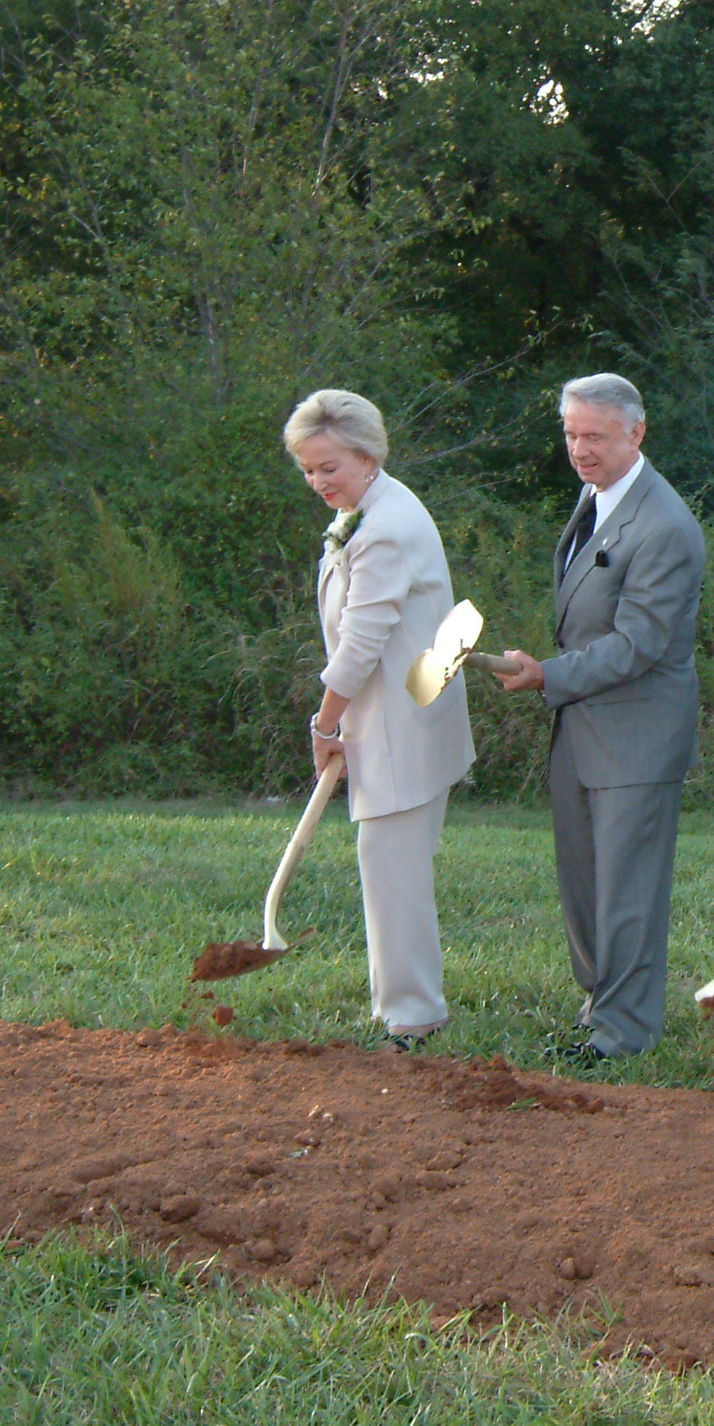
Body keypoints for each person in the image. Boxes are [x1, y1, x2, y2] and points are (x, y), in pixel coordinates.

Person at [492, 373, 706, 1062]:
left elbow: (639, 644)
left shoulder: (666, 524)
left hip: (638, 738)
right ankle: (598, 1012)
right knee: (584, 888)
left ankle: (624, 1035)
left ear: (636, 433)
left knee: (628, 894)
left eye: (595, 436)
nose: (579, 449)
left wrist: (546, 676)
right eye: (570, 433)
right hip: (582, 733)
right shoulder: (595, 498)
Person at [287, 389, 476, 1052]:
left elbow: (362, 641)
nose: (317, 482)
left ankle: (413, 1017)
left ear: (367, 456)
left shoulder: (389, 524)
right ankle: (402, 1006)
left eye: (328, 467)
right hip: (393, 719)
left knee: (391, 867)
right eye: (308, 469)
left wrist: (325, 722)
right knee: (389, 863)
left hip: (402, 723)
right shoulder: (370, 508)